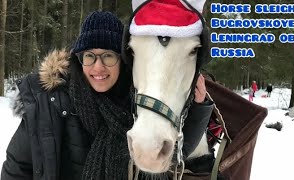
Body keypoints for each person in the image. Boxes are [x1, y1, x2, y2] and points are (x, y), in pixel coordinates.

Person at [1, 11, 214, 180]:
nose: (98, 67)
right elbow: (17, 168)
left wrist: (199, 106)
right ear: (79, 59)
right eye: (90, 56)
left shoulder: (138, 104)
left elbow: (176, 153)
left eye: (108, 56)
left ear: (122, 60)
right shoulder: (51, 103)